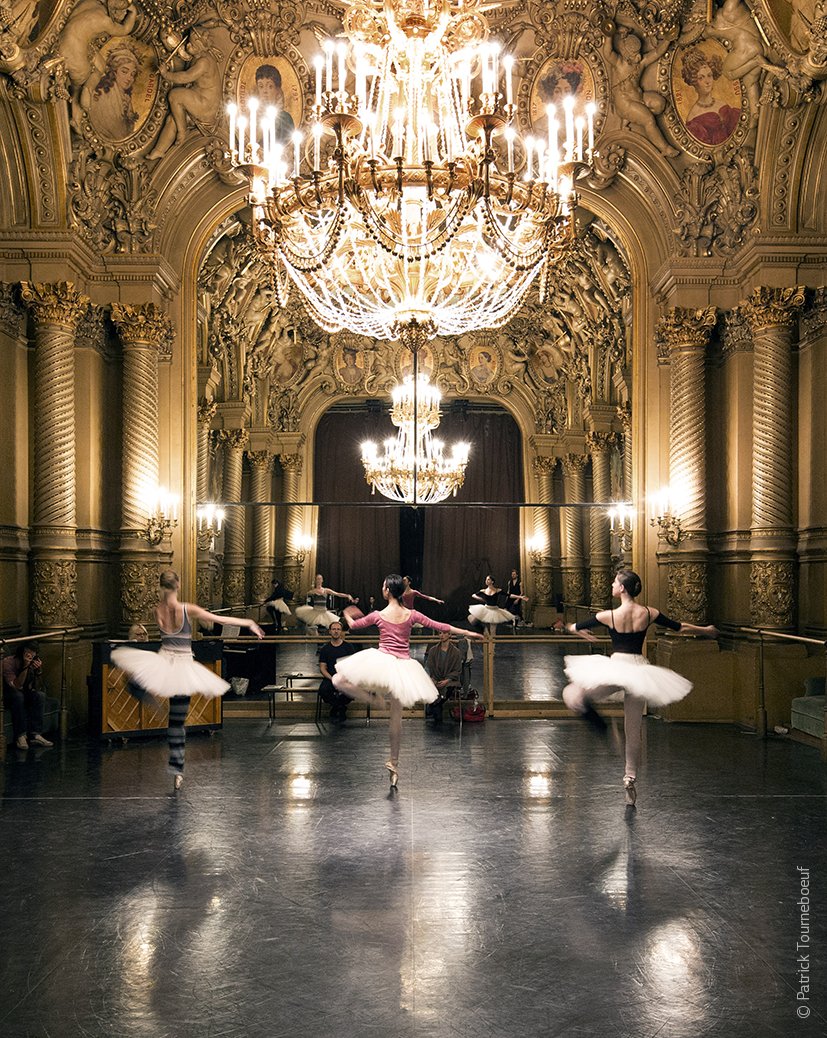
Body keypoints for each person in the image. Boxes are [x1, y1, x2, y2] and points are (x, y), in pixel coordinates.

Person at [562, 569, 717, 807]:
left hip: (617, 668)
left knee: (573, 695)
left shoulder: (608, 615)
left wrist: (580, 631)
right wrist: (705, 630)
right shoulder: (648, 612)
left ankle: (603, 729)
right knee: (633, 729)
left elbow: (572, 627)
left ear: (622, 588)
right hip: (639, 671)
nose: (612, 585)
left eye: (615, 582)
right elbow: (680, 627)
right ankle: (629, 779)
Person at [111, 570, 263, 790]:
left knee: (135, 681)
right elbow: (218, 619)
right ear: (178, 585)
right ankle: (177, 770)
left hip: (164, 663)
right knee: (177, 722)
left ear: (161, 586)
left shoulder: (157, 611)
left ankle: (153, 702)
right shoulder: (186, 609)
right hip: (182, 667)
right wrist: (249, 622)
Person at [332, 574, 485, 788]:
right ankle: (394, 763)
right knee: (396, 717)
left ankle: (373, 700)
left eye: (383, 586)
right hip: (403, 667)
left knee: (338, 679)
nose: (382, 589)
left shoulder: (378, 615)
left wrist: (348, 613)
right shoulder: (411, 614)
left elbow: (354, 625)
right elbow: (441, 626)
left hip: (383, 662)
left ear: (387, 591)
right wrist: (469, 632)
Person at [679, 47, 740, 146]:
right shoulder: (693, 118)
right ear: (694, 81)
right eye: (701, 77)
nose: (707, 81)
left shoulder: (722, 104)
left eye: (709, 75)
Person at [2, 642, 53, 749]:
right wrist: (25, 666)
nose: (30, 656)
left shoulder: (31, 663)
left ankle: (35, 734)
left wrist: (38, 672)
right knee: (18, 696)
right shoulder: (8, 663)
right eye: (28, 653)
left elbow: (37, 688)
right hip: (6, 694)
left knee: (40, 695)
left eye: (33, 654)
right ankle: (20, 736)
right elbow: (17, 686)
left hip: (22, 692)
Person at [88, 44, 140, 140]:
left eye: (132, 74)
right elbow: (115, 129)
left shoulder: (125, 97)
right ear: (114, 72)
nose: (129, 78)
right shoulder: (103, 93)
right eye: (124, 71)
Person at [317, 621, 359, 723]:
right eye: (334, 629)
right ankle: (340, 707)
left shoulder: (348, 647)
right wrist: (332, 679)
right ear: (330, 631)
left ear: (341, 632)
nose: (336, 631)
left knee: (350, 691)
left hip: (345, 677)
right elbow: (322, 668)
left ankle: (336, 707)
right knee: (323, 690)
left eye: (338, 629)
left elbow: (353, 666)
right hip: (330, 677)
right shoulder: (325, 649)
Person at [424, 629, 465, 724]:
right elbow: (429, 666)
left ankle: (433, 706)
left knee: (447, 688)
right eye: (440, 633)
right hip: (435, 678)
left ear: (449, 635)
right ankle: (436, 707)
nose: (442, 635)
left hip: (450, 680)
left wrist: (447, 680)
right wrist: (432, 679)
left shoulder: (456, 652)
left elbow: (457, 670)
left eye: (444, 633)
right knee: (433, 688)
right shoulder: (433, 650)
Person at [254, 64, 295, 145]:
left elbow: (289, 145)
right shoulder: (252, 118)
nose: (265, 91)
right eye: (261, 86)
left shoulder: (285, 119)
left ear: (277, 90)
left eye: (270, 86)